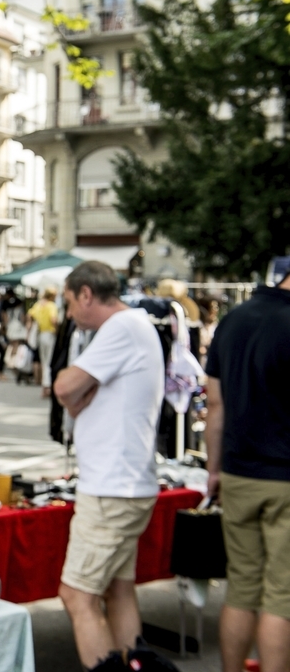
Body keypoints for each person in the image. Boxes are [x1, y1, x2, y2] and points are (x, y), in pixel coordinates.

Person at [53, 261, 165, 669]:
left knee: (77, 595)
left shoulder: (120, 327)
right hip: (125, 484)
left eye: (68, 303)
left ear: (85, 294)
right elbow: (74, 392)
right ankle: (136, 665)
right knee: (119, 590)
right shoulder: (136, 326)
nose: (68, 315)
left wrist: (76, 392)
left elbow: (64, 386)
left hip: (111, 489)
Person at [204, 267, 290, 672]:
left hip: (238, 472)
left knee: (241, 588)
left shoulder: (233, 319)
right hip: (285, 479)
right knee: (282, 596)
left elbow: (215, 405)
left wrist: (214, 469)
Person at [28, 288, 60, 398]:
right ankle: (48, 386)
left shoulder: (38, 304)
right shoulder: (51, 305)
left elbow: (30, 315)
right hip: (50, 334)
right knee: (50, 360)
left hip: (41, 334)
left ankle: (44, 386)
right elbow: (54, 319)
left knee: (44, 360)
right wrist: (57, 330)